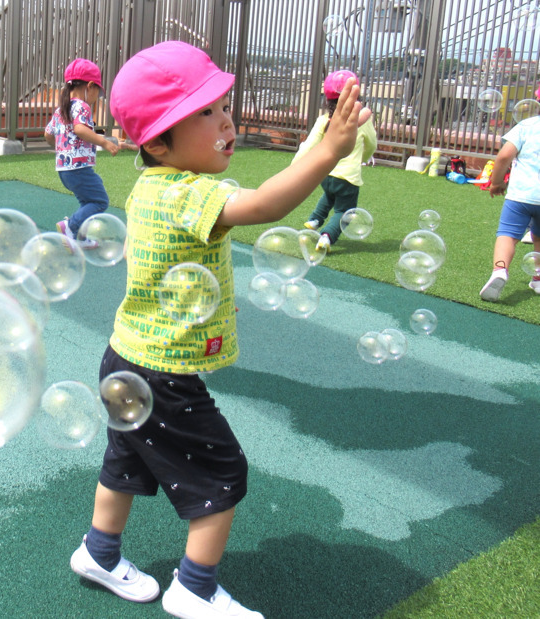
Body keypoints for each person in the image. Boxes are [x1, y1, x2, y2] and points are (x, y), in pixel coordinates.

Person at [69, 41, 368, 618]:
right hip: (163, 374)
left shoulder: (150, 185)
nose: (227, 122)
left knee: (126, 461)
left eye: (224, 107)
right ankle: (195, 588)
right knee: (221, 470)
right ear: (159, 143)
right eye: (205, 113)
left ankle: (99, 553)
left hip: (125, 357)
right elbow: (263, 206)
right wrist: (328, 151)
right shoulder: (189, 192)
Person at [294, 69, 377, 251]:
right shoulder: (361, 122)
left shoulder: (324, 120)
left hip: (326, 173)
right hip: (348, 177)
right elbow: (372, 145)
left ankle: (314, 220)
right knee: (344, 211)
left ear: (328, 100)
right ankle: (327, 236)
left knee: (330, 195)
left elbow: (308, 146)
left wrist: (293, 167)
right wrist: (363, 158)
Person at [45, 58, 119, 247]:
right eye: (98, 92)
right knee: (99, 201)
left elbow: (48, 134)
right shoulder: (82, 106)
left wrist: (61, 147)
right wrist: (105, 142)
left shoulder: (61, 109)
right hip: (78, 167)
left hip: (64, 168)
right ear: (90, 86)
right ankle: (70, 226)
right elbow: (79, 129)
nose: (96, 97)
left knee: (88, 201)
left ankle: (81, 237)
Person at [479, 84, 540, 302]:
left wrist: (496, 183)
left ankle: (499, 270)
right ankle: (538, 279)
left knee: (508, 235)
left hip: (520, 196)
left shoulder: (526, 125)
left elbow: (504, 156)